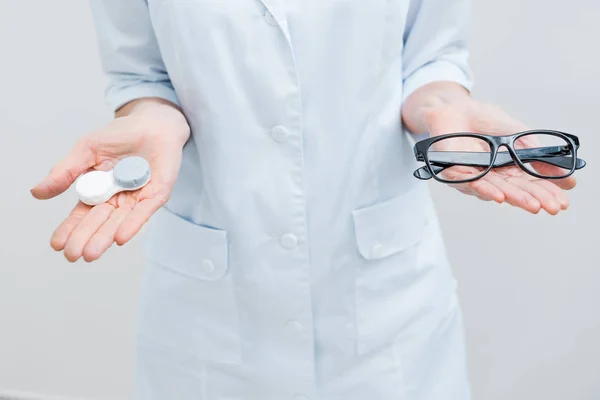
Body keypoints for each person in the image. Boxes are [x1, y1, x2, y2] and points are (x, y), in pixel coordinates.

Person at [30, 0, 576, 399]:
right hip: (214, 314)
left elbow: (433, 60)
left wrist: (440, 110)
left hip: (386, 311)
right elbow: (141, 73)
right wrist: (151, 116)